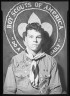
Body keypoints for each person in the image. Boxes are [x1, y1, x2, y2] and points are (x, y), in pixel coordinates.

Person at [3, 23, 62, 94]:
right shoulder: (15, 60)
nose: (35, 40)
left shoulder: (51, 61)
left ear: (42, 40)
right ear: (25, 40)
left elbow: (56, 90)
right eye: (31, 37)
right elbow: (9, 90)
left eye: (38, 37)